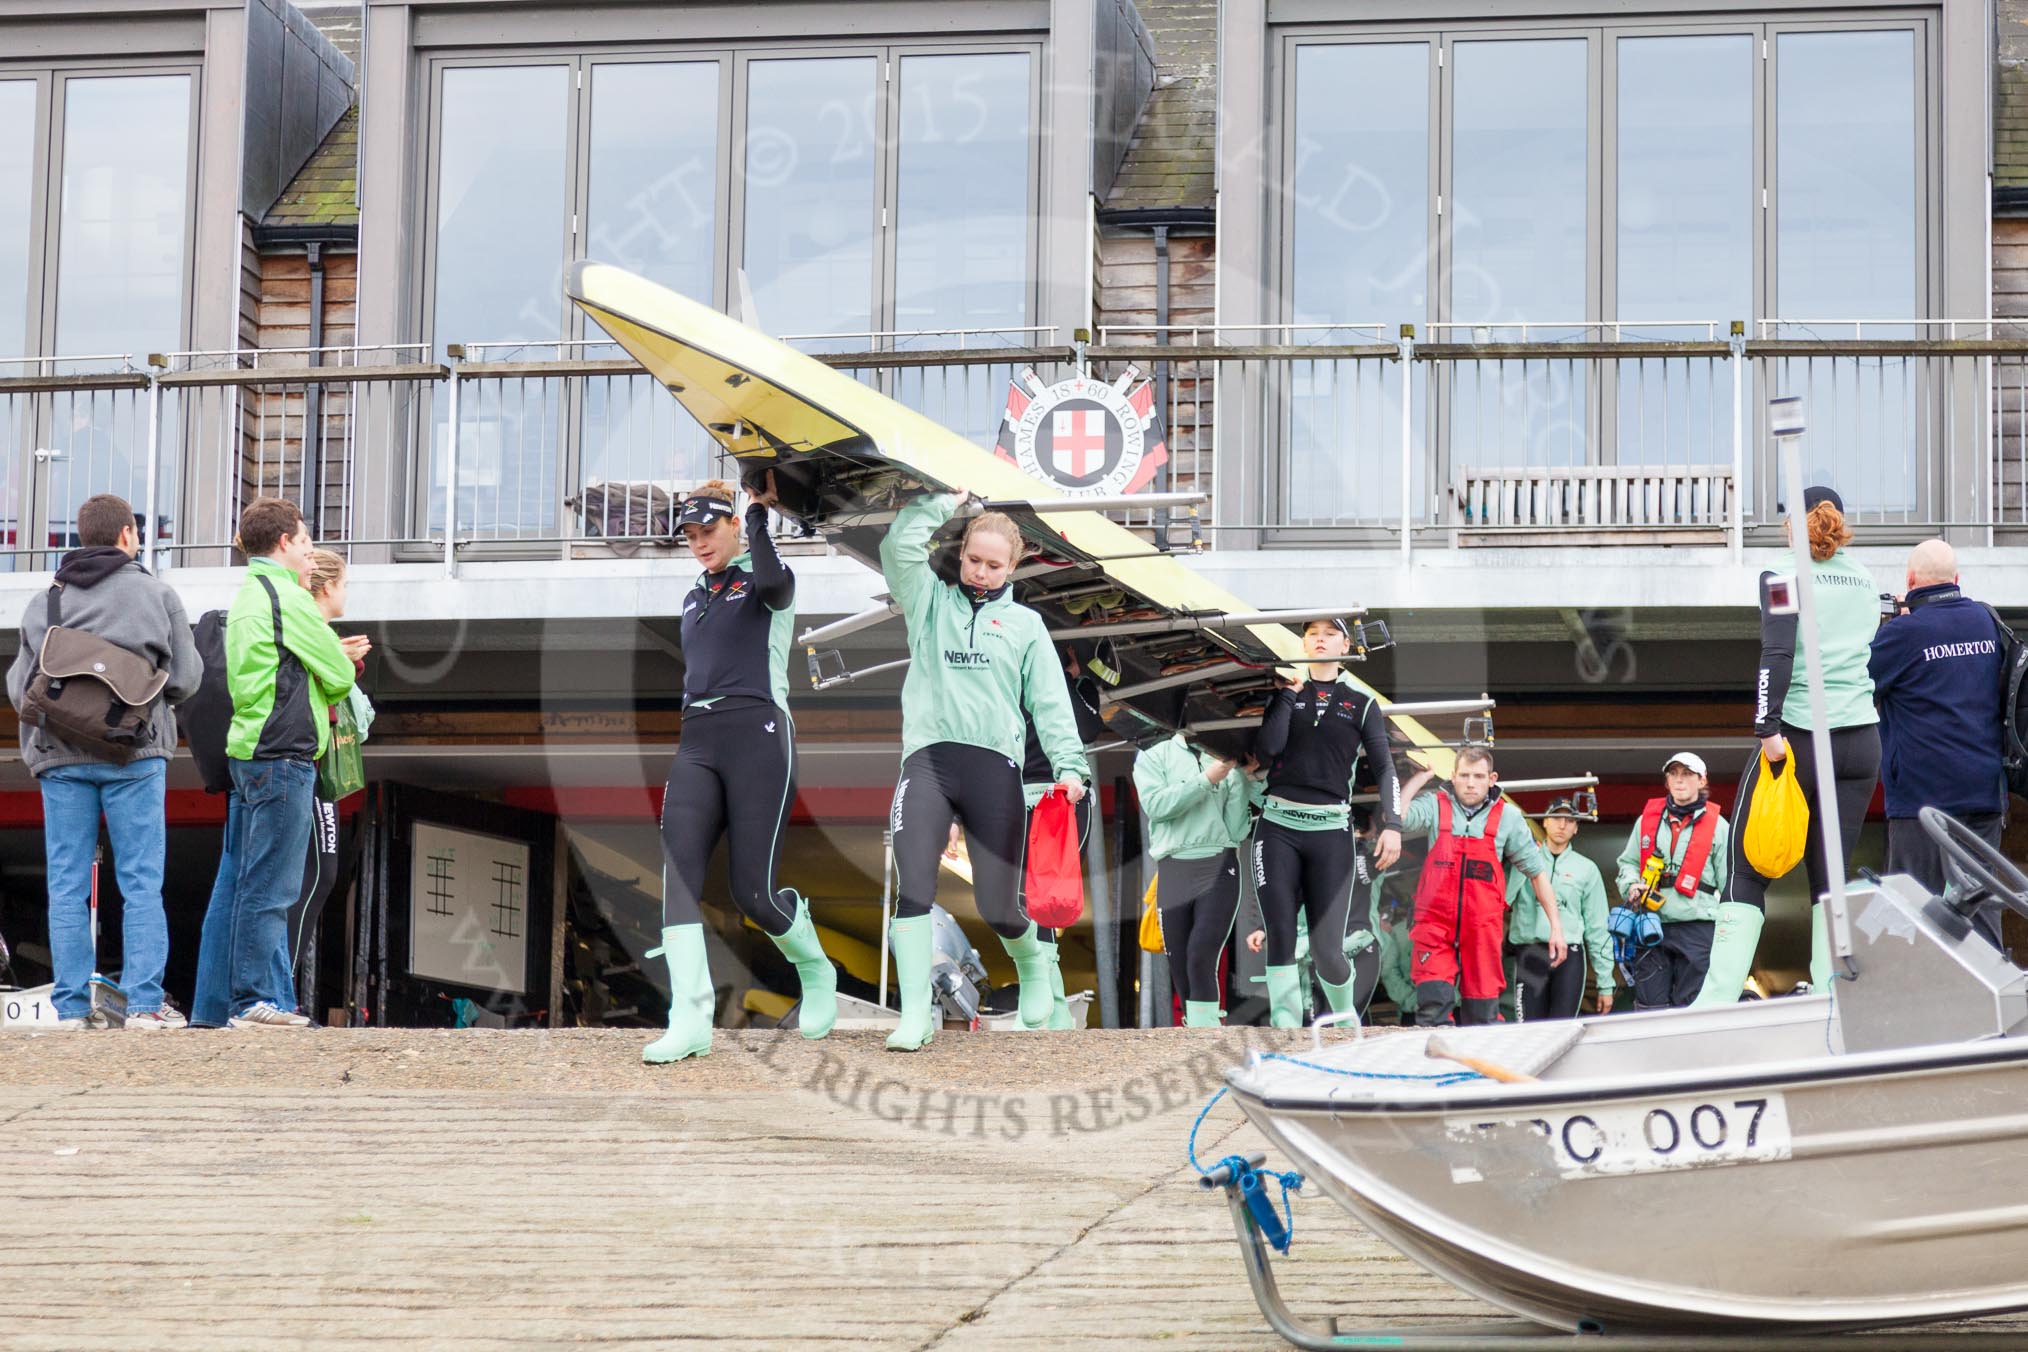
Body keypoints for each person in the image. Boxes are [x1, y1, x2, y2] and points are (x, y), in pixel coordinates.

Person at [878, 485, 1088, 1050]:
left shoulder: (1025, 626)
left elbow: (1050, 702)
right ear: (962, 552)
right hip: (927, 761)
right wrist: (939, 505)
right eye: (973, 559)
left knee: (999, 905)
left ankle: (1034, 969)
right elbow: (898, 549)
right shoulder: (930, 603)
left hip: (995, 770)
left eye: (995, 566)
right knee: (914, 884)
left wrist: (1070, 768)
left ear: (1013, 567)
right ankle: (916, 1015)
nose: (981, 573)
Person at [647, 475, 836, 1064]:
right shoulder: (693, 594)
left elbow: (778, 586)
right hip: (697, 739)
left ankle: (814, 965)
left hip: (758, 733)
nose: (700, 543)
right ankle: (690, 1019)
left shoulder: (761, 575)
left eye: (710, 531)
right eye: (691, 536)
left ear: (732, 528)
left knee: (752, 893)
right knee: (677, 873)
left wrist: (758, 516)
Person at [7, 494, 201, 1028]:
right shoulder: (157, 595)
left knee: (65, 882)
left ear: (79, 536)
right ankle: (142, 1006)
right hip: (134, 753)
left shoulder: (45, 600)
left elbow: (20, 686)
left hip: (60, 756)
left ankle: (70, 1010)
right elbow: (185, 678)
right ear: (127, 535)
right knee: (140, 881)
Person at [1696, 486, 1881, 1005]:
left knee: (1746, 867)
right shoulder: (1866, 580)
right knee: (1831, 878)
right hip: (1860, 740)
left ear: (1791, 523)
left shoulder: (1782, 573)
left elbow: (1776, 652)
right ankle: (1830, 998)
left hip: (1797, 735)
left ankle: (1713, 1003)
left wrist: (1767, 727)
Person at [219, 498, 356, 1029]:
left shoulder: (249, 593)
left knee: (260, 882)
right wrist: (330, 666)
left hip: (251, 752)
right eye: (303, 542)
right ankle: (253, 1001)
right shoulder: (289, 598)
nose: (308, 552)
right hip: (284, 756)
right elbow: (339, 673)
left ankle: (271, 1000)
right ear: (283, 544)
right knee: (273, 887)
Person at [1249, 619, 1402, 1028]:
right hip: (1277, 826)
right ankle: (1286, 1031)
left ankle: (1345, 1022)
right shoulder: (1284, 692)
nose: (1320, 638)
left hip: (1331, 832)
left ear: (1345, 644)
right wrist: (1287, 696)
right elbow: (1267, 749)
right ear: (1303, 642)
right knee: (1280, 933)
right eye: (1312, 633)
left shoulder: (1362, 702)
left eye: (1329, 633)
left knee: (1326, 949)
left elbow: (1385, 768)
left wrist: (1394, 824)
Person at [1868, 539, 2010, 940]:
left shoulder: (1902, 633)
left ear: (1911, 581)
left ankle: (1918, 1000)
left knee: (1912, 912)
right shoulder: (1987, 621)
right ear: (1957, 580)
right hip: (1983, 793)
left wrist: (1891, 623)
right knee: (1981, 909)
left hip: (1922, 799)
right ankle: (1990, 996)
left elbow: (1860, 682)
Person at [1400, 749, 1565, 1025]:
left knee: (1483, 1017)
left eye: (1478, 776)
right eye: (1464, 775)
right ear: (1453, 777)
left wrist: (1556, 929)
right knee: (1432, 1009)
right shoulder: (1435, 804)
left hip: (1481, 930)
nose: (1470, 783)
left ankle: (1480, 1068)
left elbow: (1537, 874)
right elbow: (1400, 818)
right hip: (1434, 927)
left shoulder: (1509, 818)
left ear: (1492, 779)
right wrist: (1419, 778)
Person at [274, 549, 371, 1018]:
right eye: (345, 584)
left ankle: (278, 992)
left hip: (311, 765)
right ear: (327, 587)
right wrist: (341, 662)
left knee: (315, 876)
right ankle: (277, 994)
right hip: (302, 763)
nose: (347, 593)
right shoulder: (304, 626)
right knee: (310, 877)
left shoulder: (319, 634)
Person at [1135, 733, 1259, 1027]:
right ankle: (1199, 1027)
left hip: (1219, 863)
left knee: (1201, 953)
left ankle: (1206, 1030)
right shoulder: (1154, 755)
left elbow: (1236, 830)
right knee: (1179, 964)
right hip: (1172, 866)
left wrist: (1241, 779)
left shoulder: (1223, 757)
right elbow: (1156, 806)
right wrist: (1206, 779)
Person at [1020, 648, 1106, 1029]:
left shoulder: (1080, 688)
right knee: (1020, 898)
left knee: (1047, 899)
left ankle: (1049, 1011)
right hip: (1017, 796)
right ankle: (1047, 1006)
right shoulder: (1011, 683)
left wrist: (1066, 679)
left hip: (1065, 798)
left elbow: (1087, 730)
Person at [1616, 754, 1729, 1009]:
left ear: (1702, 781)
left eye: (1687, 774)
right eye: (1673, 774)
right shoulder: (1646, 821)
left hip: (1698, 926)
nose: (1679, 780)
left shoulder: (1719, 827)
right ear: (1666, 781)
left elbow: (1730, 884)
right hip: (1651, 923)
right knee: (1649, 1007)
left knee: (1693, 1006)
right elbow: (1628, 863)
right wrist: (1631, 884)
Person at [1510, 798, 1614, 1020]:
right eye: (1556, 818)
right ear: (1545, 822)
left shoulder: (1587, 869)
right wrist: (1519, 856)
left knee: (1563, 1029)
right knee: (1527, 1030)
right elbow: (1503, 899)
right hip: (1531, 952)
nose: (1562, 825)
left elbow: (1598, 929)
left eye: (1569, 820)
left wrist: (1605, 984)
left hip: (1569, 955)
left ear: (1576, 828)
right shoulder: (1523, 859)